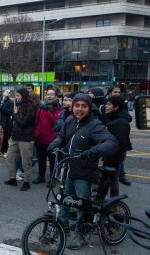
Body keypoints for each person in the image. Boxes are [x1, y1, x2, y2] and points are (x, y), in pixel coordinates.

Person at [48, 93, 118, 250]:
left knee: (82, 206)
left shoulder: (95, 125)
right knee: (64, 200)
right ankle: (63, 226)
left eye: (83, 106)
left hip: (84, 173)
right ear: (72, 106)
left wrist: (92, 151)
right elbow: (62, 137)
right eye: (77, 105)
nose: (79, 109)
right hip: (68, 169)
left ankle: (80, 235)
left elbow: (111, 143)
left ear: (89, 107)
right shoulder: (70, 120)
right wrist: (55, 144)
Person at [97, 96, 132, 198]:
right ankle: (102, 197)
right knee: (108, 177)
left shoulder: (120, 122)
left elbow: (119, 143)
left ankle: (114, 202)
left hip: (115, 155)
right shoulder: (115, 117)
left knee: (112, 178)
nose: (105, 107)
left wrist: (109, 154)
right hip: (112, 154)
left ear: (116, 107)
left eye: (108, 104)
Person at [4, 88, 37, 191]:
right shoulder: (18, 106)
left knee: (26, 162)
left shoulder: (30, 107)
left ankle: (26, 182)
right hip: (15, 137)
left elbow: (23, 123)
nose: (16, 97)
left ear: (23, 96)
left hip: (25, 138)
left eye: (18, 95)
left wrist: (15, 114)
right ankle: (12, 178)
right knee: (9, 158)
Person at [33, 87, 63, 187]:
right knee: (41, 159)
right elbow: (37, 121)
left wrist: (49, 110)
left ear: (56, 95)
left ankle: (52, 178)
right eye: (48, 94)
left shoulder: (59, 108)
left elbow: (56, 121)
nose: (49, 96)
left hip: (51, 140)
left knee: (52, 161)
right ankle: (41, 176)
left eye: (51, 94)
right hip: (40, 138)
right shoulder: (42, 107)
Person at [0, 89, 14, 154]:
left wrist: (1, 108)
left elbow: (11, 112)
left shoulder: (10, 102)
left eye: (9, 92)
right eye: (6, 91)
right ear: (3, 92)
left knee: (5, 137)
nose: (8, 93)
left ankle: (4, 151)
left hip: (5, 122)